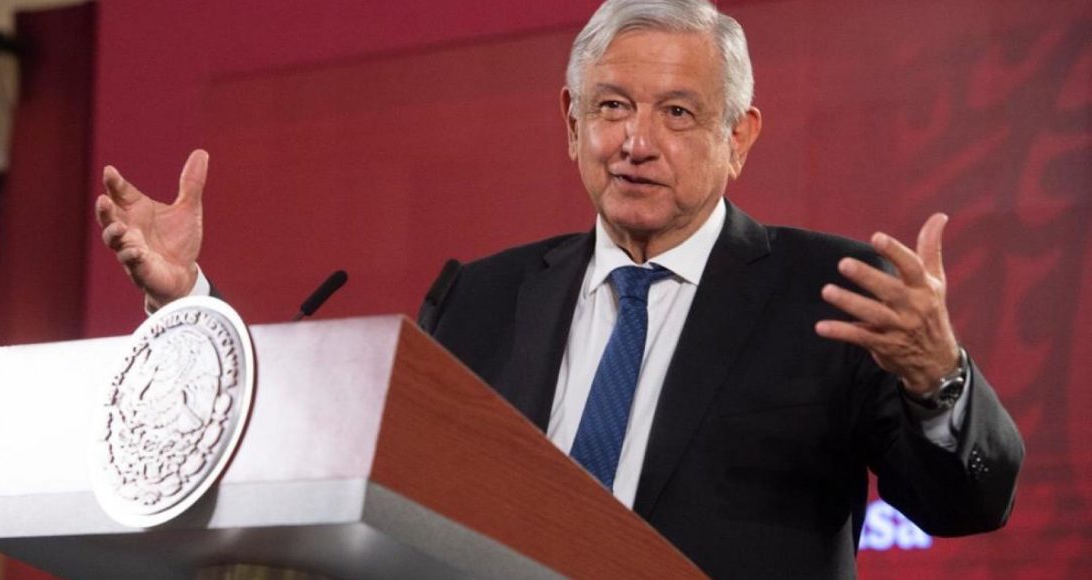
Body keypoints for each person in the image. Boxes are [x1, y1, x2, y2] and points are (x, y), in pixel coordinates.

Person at [96, 0, 1023, 577]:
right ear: (571, 123)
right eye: (612, 107)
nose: (636, 142)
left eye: (678, 113)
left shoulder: (831, 294)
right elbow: (348, 456)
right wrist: (188, 309)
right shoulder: (481, 297)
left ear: (739, 138)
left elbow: (966, 505)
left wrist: (938, 380)